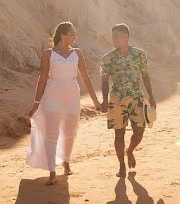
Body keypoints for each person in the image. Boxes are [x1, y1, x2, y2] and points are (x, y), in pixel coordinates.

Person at [26, 21, 101, 185]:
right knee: (51, 133)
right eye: (72, 33)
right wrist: (36, 103)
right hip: (52, 95)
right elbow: (43, 79)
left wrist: (96, 101)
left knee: (70, 132)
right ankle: (52, 171)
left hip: (72, 96)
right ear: (63, 35)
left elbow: (85, 77)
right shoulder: (48, 54)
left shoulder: (78, 53)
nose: (75, 36)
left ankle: (66, 161)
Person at [99, 23, 157, 177]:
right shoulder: (108, 58)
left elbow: (145, 76)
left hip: (136, 98)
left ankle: (130, 150)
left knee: (139, 131)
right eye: (113, 37)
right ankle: (121, 166)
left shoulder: (139, 54)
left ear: (126, 37)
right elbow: (104, 81)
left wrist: (151, 96)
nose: (114, 40)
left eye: (117, 37)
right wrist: (104, 100)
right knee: (119, 134)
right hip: (116, 100)